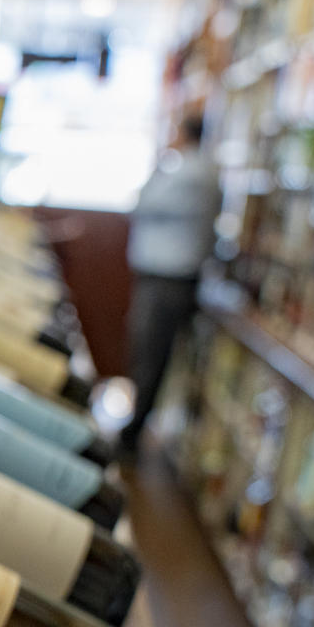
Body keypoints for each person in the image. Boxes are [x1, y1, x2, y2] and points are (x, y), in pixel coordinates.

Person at [120, 115, 222, 455]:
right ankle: (136, 426)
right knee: (150, 354)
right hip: (170, 279)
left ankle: (132, 434)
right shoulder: (200, 170)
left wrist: (162, 159)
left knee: (150, 355)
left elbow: (142, 203)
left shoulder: (188, 172)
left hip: (167, 281)